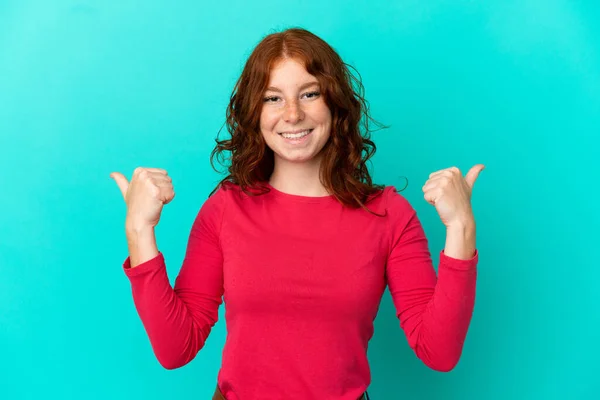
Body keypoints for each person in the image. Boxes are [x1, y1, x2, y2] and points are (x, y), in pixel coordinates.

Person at [110, 27, 483, 400]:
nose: (292, 114)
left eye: (309, 93)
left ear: (334, 103)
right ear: (254, 112)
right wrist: (139, 230)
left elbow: (439, 352)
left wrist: (460, 227)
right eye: (273, 98)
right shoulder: (225, 209)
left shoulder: (388, 214)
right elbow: (176, 348)